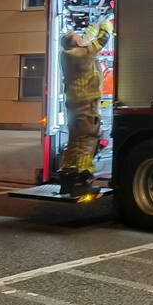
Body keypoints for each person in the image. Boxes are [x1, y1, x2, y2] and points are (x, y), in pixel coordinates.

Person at [58, 18, 113, 196]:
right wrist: (106, 25)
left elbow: (87, 40)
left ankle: (67, 177)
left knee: (74, 142)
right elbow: (102, 40)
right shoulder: (81, 54)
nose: (81, 37)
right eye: (78, 36)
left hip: (75, 106)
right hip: (86, 105)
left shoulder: (68, 54)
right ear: (76, 43)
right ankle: (82, 179)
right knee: (88, 140)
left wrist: (93, 26)